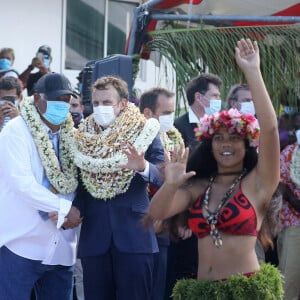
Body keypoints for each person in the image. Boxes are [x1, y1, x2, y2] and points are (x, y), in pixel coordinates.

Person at [149, 38, 283, 299]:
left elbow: (269, 129)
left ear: (246, 146)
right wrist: (172, 184)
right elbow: (157, 211)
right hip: (201, 291)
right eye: (219, 138)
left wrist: (252, 71)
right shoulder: (200, 186)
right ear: (209, 145)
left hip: (246, 291)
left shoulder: (258, 184)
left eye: (234, 138)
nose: (226, 144)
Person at [73, 75, 165, 300]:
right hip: (95, 238)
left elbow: (164, 176)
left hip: (135, 236)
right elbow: (79, 183)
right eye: (96, 103)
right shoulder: (82, 135)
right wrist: (74, 209)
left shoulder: (144, 130)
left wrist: (142, 166)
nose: (100, 108)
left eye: (107, 103)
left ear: (122, 104)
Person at [0, 72, 82, 299]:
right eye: (56, 100)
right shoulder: (16, 130)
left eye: (66, 100)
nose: (62, 106)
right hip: (22, 244)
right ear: (37, 99)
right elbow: (22, 183)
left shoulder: (73, 135)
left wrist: (73, 210)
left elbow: (80, 183)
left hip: (62, 248)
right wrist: (63, 208)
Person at [139, 87, 184, 300]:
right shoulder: (137, 139)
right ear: (147, 113)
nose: (170, 118)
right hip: (142, 226)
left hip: (166, 229)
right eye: (165, 113)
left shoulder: (173, 138)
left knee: (159, 290)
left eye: (171, 112)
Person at [277, 128, 300, 300]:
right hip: (294, 225)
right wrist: (295, 202)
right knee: (288, 285)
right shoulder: (290, 152)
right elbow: (278, 185)